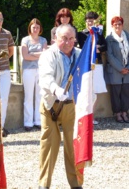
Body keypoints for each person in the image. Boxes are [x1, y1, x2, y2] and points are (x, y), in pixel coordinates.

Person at [38, 24, 82, 189]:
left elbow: (88, 76)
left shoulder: (80, 54)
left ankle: (76, 184)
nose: (68, 42)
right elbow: (45, 77)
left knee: (73, 147)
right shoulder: (48, 55)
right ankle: (44, 185)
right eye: (64, 38)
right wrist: (56, 89)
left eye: (71, 38)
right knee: (49, 146)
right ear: (56, 38)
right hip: (51, 105)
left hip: (71, 105)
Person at [77, 11, 107, 125]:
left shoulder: (98, 33)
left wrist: (98, 48)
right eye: (88, 21)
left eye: (92, 21)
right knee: (85, 90)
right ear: (85, 22)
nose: (90, 23)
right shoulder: (82, 34)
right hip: (86, 65)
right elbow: (81, 48)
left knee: (95, 91)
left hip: (97, 64)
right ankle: (84, 115)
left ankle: (91, 115)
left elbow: (105, 46)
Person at [21, 18, 47, 131]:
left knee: (39, 96)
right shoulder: (25, 40)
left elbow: (45, 55)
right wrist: (39, 54)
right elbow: (25, 56)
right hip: (28, 70)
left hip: (40, 70)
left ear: (40, 29)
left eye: (37, 27)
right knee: (28, 96)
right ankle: (28, 122)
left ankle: (38, 120)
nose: (35, 29)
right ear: (30, 28)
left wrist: (32, 54)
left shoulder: (43, 40)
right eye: (33, 27)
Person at [105, 16, 129, 123]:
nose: (118, 26)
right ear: (112, 26)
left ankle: (125, 112)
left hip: (127, 71)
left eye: (119, 24)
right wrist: (120, 68)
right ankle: (118, 114)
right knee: (115, 94)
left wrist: (127, 67)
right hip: (115, 71)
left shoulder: (127, 36)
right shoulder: (109, 39)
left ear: (122, 25)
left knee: (126, 93)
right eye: (115, 24)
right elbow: (109, 56)